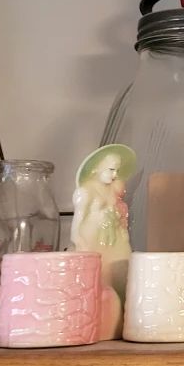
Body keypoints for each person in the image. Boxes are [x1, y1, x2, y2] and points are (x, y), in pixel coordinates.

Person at [71, 144, 137, 339]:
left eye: (117, 170)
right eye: (111, 169)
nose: (114, 175)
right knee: (100, 282)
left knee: (122, 277)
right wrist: (81, 249)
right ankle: (97, 324)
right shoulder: (85, 192)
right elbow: (77, 226)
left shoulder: (113, 190)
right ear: (96, 168)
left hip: (115, 242)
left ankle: (120, 322)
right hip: (93, 243)